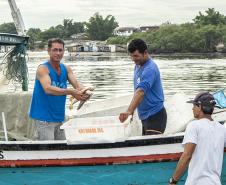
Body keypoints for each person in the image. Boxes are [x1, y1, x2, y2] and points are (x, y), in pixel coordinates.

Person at [29, 38, 90, 140]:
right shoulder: (43, 68)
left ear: (63, 51)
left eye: (60, 50)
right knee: (48, 152)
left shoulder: (66, 69)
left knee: (61, 149)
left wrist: (86, 92)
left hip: (59, 118)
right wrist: (70, 91)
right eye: (55, 50)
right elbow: (48, 89)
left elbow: (78, 86)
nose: (58, 53)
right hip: (44, 119)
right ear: (48, 51)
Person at [169, 92, 226, 185]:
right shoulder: (222, 129)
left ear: (200, 107)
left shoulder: (194, 126)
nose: (192, 108)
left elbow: (187, 156)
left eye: (194, 105)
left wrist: (173, 180)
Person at [119, 39, 166, 135]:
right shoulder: (138, 65)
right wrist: (132, 112)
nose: (133, 59)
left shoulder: (150, 69)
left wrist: (129, 111)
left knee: (151, 148)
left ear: (145, 53)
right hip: (144, 116)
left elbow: (140, 91)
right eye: (131, 56)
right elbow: (137, 91)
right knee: (145, 148)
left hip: (155, 115)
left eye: (136, 56)